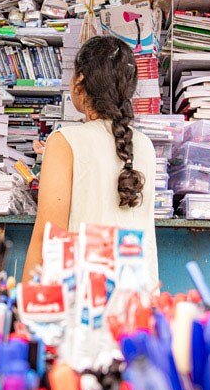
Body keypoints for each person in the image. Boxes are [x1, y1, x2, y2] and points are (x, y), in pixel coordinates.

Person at [22, 35, 159, 283]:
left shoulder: (64, 142)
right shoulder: (145, 146)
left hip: (84, 303)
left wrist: (28, 306)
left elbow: (47, 237)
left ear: (80, 83)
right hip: (136, 303)